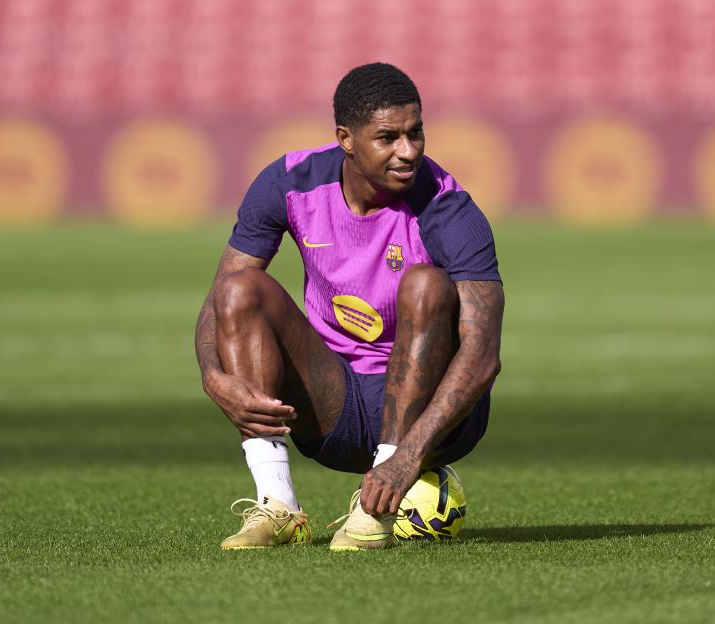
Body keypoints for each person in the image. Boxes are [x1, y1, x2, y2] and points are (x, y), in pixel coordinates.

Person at [194, 63, 504, 551]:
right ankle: (278, 506)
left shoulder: (449, 209)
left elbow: (483, 356)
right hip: (335, 404)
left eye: (415, 132)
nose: (408, 151)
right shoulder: (289, 183)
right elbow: (219, 303)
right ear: (346, 139)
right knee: (238, 290)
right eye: (388, 137)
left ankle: (374, 511)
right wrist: (212, 376)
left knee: (425, 284)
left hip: (432, 420)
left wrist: (406, 457)